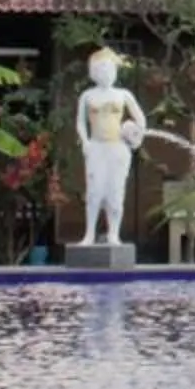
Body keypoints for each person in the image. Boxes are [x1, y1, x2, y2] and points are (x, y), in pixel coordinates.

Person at [73, 46, 149, 248]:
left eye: (109, 68)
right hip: (96, 147)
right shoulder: (87, 96)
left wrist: (135, 134)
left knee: (116, 192)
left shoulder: (123, 95)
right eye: (101, 69)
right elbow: (80, 122)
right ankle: (89, 234)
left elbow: (140, 119)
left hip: (118, 148)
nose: (106, 73)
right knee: (94, 192)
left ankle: (113, 234)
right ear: (94, 72)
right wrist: (85, 142)